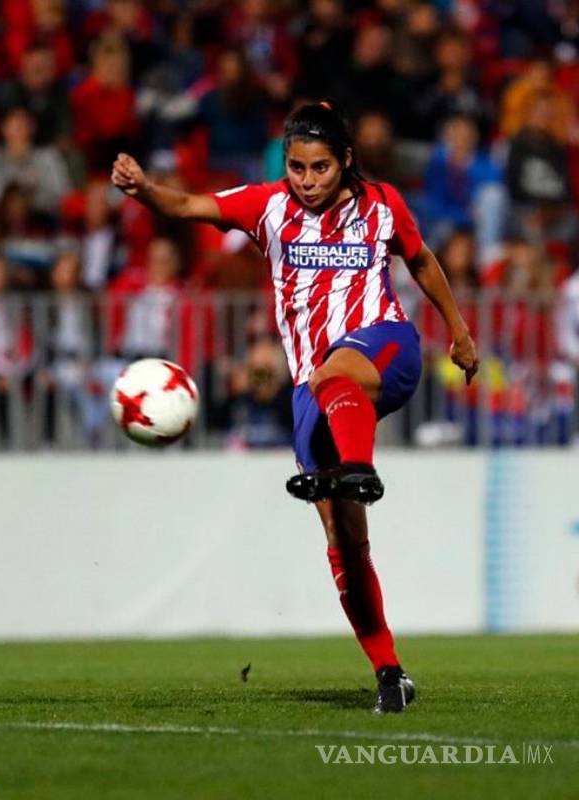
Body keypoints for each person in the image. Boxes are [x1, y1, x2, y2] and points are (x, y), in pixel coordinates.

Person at [111, 101, 479, 714]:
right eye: (297, 167)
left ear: (346, 162)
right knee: (344, 541)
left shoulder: (382, 203)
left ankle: (358, 468)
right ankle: (390, 672)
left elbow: (418, 259)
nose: (306, 180)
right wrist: (145, 187)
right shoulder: (268, 205)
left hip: (385, 348)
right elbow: (188, 206)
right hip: (315, 393)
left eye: (320, 168)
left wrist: (458, 330)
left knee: (338, 372)